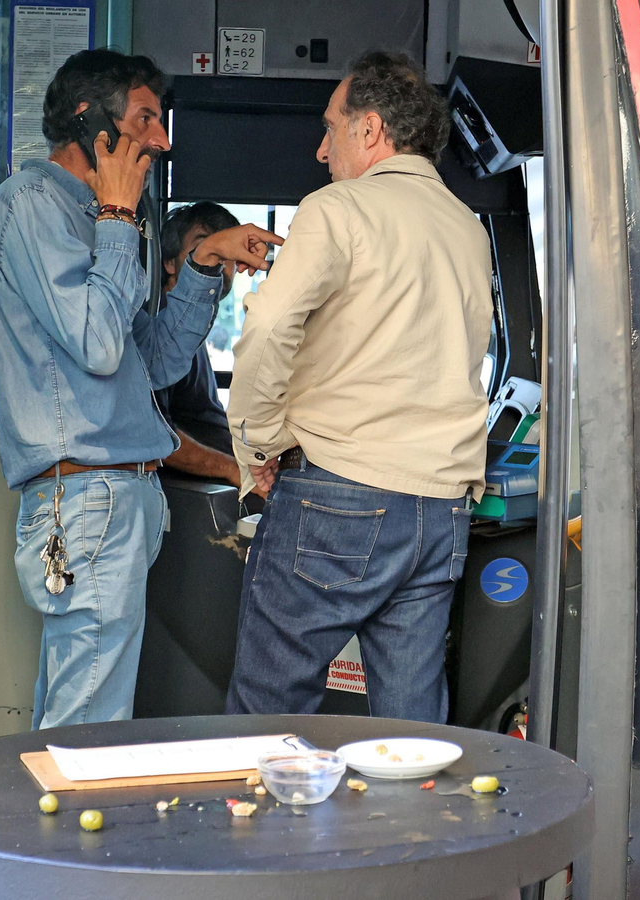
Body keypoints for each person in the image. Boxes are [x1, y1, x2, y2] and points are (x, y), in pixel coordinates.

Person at [0, 49, 280, 729]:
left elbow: (153, 362)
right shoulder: (32, 206)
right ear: (91, 122)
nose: (163, 139)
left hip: (115, 500)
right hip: (87, 497)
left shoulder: (102, 219)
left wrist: (202, 264)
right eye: (146, 119)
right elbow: (96, 341)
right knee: (89, 724)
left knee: (81, 711)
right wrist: (117, 216)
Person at [223, 51, 493, 722]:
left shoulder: (336, 209)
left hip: (338, 494)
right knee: (411, 727)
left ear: (370, 129)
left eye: (330, 128)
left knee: (268, 711)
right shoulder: (468, 229)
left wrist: (257, 443)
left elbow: (271, 326)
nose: (321, 150)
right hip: (439, 509)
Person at [152, 202, 249, 492]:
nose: (218, 259)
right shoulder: (160, 327)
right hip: (202, 489)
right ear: (170, 263)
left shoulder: (196, 325)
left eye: (226, 250)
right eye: (204, 248)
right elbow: (156, 434)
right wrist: (232, 469)